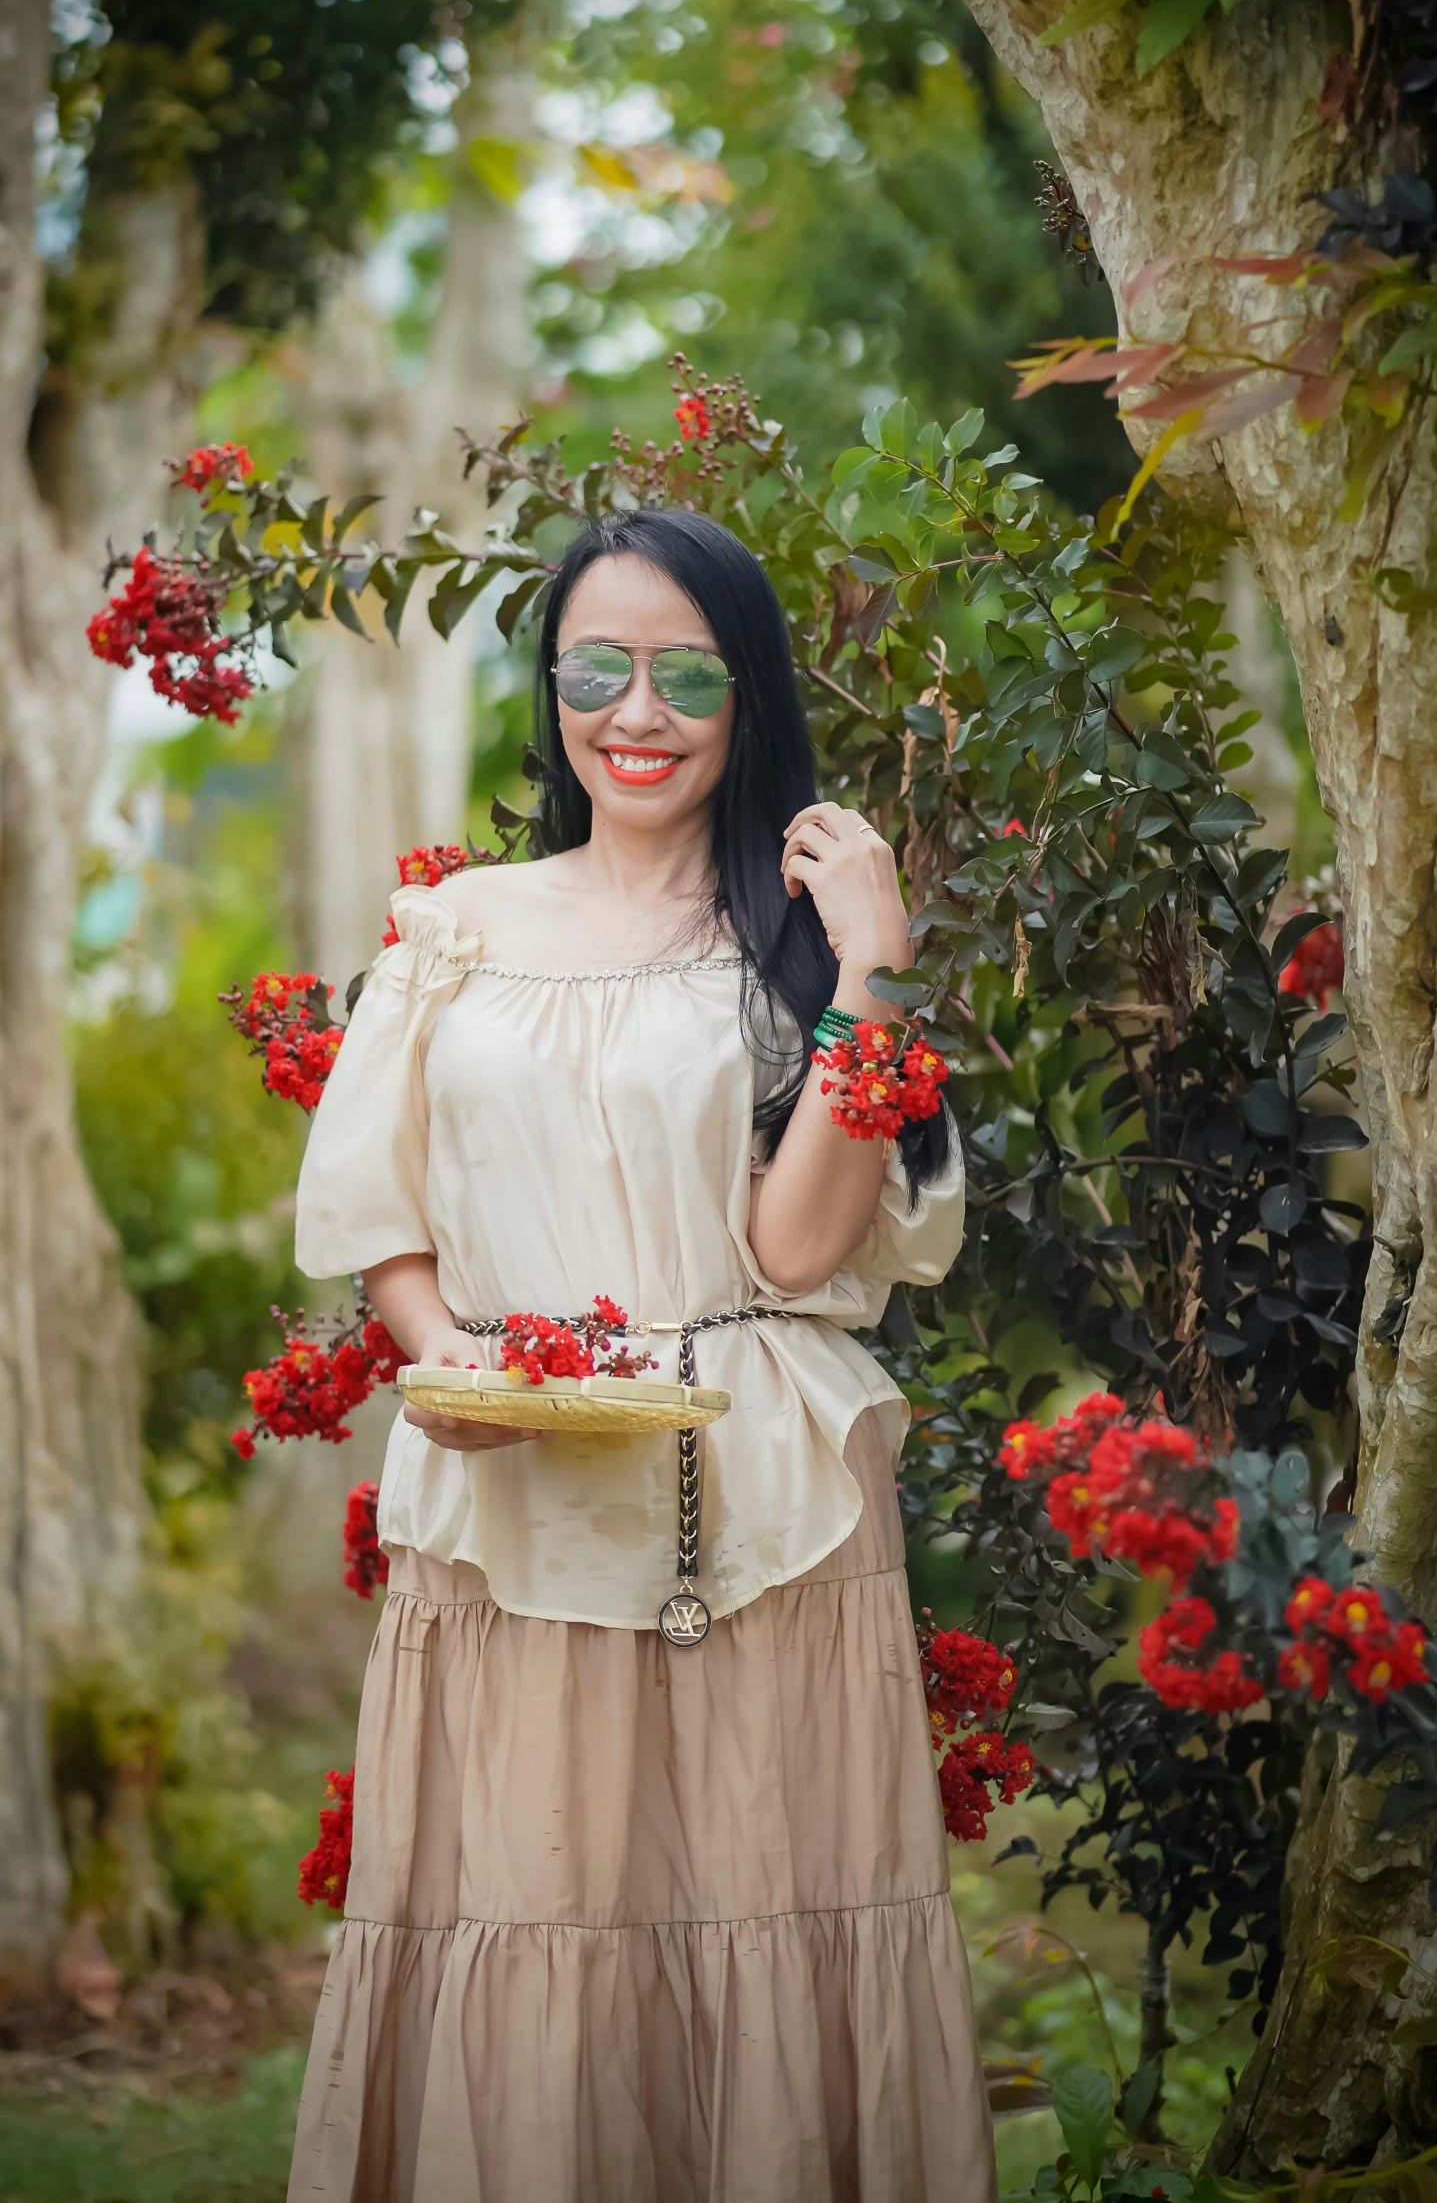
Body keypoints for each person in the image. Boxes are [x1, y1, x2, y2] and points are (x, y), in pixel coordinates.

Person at [286, 507, 997, 2203]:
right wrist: (452, 1360)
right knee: (532, 1907)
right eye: (598, 666)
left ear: (748, 700)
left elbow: (804, 1253)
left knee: (769, 1898)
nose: (640, 709)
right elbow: (379, 1203)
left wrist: (875, 961)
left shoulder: (800, 948)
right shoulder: (454, 930)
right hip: (515, 1492)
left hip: (766, 1508)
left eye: (689, 671)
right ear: (550, 692)